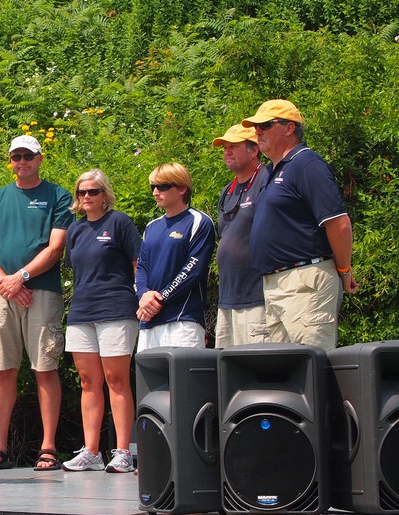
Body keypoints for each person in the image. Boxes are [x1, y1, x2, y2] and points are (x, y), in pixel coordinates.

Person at [0, 135, 73, 472]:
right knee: (3, 370)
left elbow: (55, 248)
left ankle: (48, 448)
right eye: (16, 157)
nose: (22, 162)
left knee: (45, 367)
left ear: (40, 158)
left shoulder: (58, 196)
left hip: (41, 291)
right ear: (10, 160)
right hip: (0, 293)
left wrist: (22, 278)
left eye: (28, 156)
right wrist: (7, 282)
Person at [242, 99, 358, 350]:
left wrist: (344, 269)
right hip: (275, 284)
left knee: (310, 370)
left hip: (305, 280)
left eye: (265, 124)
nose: (257, 131)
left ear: (289, 128)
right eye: (255, 126)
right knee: (286, 377)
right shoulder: (273, 171)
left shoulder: (306, 163)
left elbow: (339, 224)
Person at [61, 170, 141, 474]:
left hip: (116, 309)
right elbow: (78, 271)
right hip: (82, 312)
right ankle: (91, 451)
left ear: (104, 194)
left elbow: (138, 265)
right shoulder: (75, 230)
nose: (86, 197)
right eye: (81, 192)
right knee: (88, 382)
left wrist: (141, 297)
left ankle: (122, 451)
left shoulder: (119, 221)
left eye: (93, 192)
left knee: (117, 380)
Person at [135, 163, 216, 352]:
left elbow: (193, 269)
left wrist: (159, 299)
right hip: (149, 321)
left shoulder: (199, 221)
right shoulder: (151, 227)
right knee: (151, 382)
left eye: (162, 186)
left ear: (181, 188)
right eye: (153, 187)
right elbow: (141, 268)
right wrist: (143, 296)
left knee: (184, 381)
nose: (155, 192)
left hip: (183, 320)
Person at [211, 125, 270, 347]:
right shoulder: (228, 190)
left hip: (256, 296)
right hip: (227, 298)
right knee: (228, 372)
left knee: (256, 367)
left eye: (233, 147)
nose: (227, 152)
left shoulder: (267, 179)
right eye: (225, 147)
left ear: (254, 150)